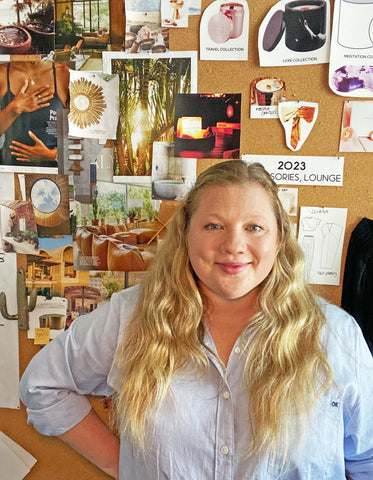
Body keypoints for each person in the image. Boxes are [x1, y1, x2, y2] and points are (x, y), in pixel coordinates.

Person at [20, 160, 373, 479]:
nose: (233, 245)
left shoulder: (336, 336)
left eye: (254, 227)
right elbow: (42, 387)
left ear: (280, 238)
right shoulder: (131, 317)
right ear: (186, 235)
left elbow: (366, 460)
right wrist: (122, 465)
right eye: (213, 225)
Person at [0, 59, 69, 167]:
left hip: (52, 174)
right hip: (10, 170)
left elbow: (91, 140)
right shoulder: (2, 73)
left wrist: (53, 155)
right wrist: (13, 109)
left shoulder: (65, 74)